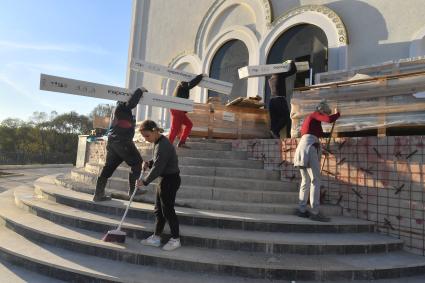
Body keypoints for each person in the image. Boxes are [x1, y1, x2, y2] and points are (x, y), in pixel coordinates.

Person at [92, 87, 147, 202]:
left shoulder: (116, 109)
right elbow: (131, 103)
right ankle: (133, 190)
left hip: (114, 142)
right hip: (123, 142)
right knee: (137, 162)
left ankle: (98, 194)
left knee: (108, 168)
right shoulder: (122, 106)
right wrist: (140, 91)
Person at [136, 120, 182, 251]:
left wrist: (144, 181)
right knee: (159, 210)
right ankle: (156, 237)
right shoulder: (158, 142)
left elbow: (158, 168)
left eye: (147, 136)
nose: (146, 139)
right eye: (144, 136)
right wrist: (149, 163)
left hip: (170, 180)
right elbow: (158, 161)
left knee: (167, 210)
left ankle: (175, 239)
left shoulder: (163, 145)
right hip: (164, 179)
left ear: (155, 131)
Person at [293, 100, 340, 222]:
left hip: (302, 149)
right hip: (309, 149)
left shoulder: (312, 123)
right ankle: (315, 211)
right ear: (321, 110)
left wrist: (322, 147)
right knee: (315, 180)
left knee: (306, 180)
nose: (325, 114)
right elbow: (329, 120)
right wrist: (337, 114)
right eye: (325, 112)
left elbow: (318, 135)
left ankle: (302, 209)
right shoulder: (314, 114)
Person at [168, 73, 204, 148]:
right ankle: (168, 146)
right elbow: (190, 85)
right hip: (177, 110)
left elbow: (189, 85)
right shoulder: (182, 82)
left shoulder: (182, 85)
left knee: (189, 124)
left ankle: (182, 142)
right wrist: (200, 76)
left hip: (179, 110)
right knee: (175, 129)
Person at [268, 60, 297, 139]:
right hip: (279, 99)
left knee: (274, 120)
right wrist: (291, 62)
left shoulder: (270, 79)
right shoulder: (280, 75)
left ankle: (274, 135)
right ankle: (280, 133)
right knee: (286, 117)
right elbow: (293, 70)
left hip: (272, 101)